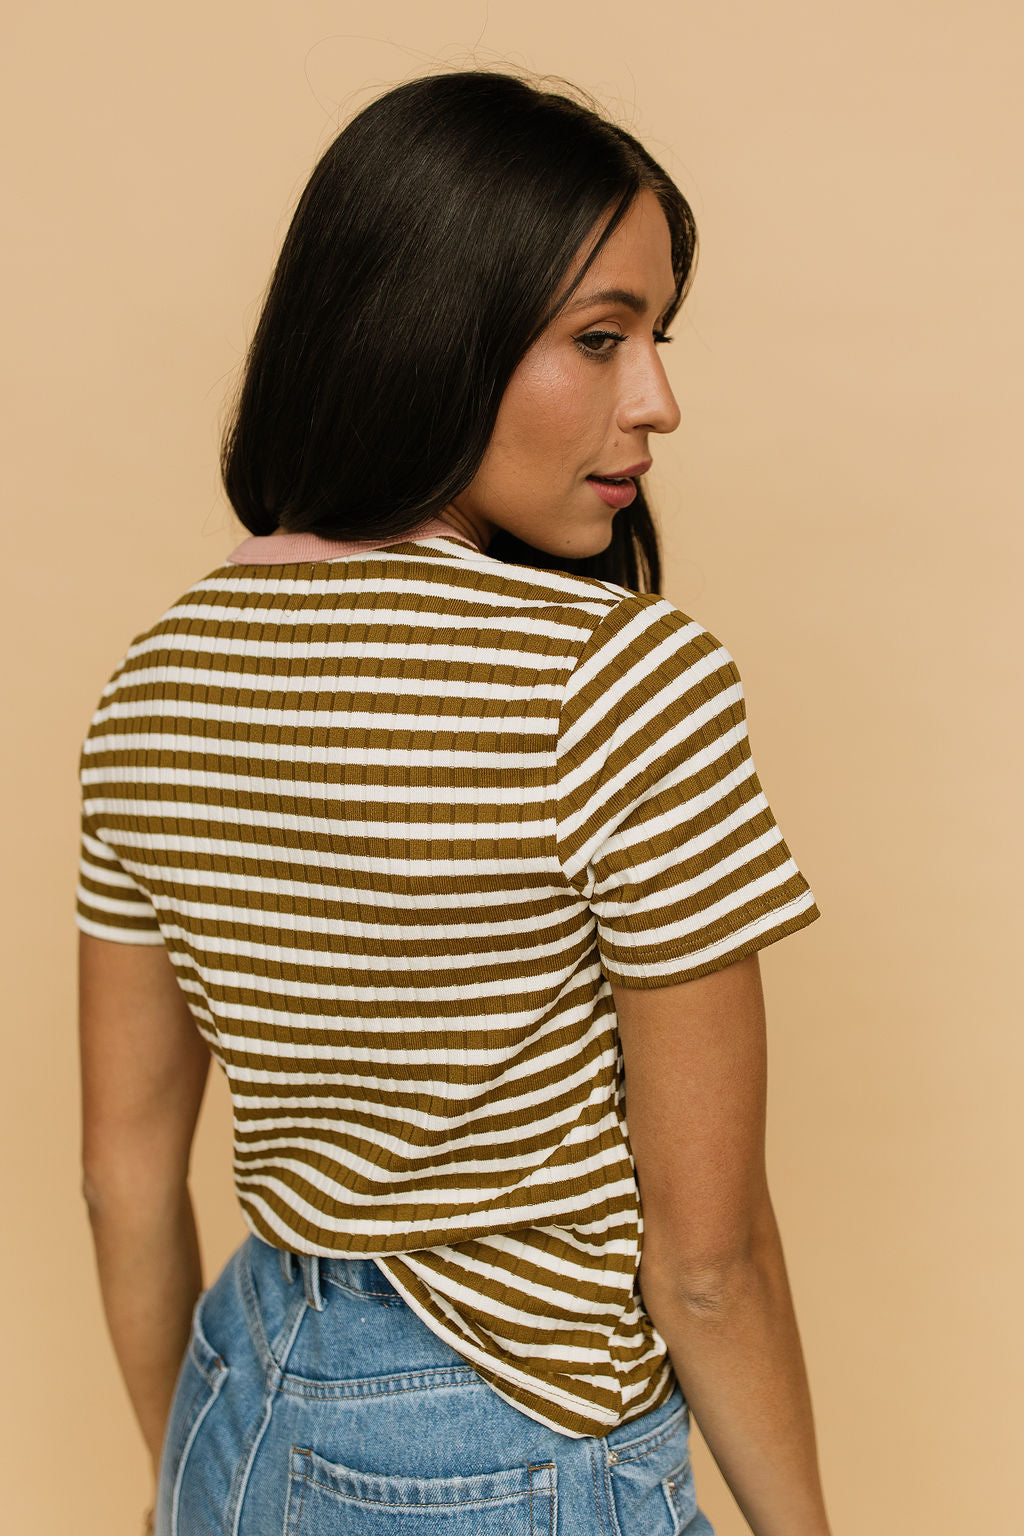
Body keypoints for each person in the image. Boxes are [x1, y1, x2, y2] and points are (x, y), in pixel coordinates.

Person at [76, 68, 833, 1536]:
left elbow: (122, 1176)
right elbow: (707, 1264)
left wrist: (206, 1474)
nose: (658, 401)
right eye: (599, 339)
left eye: (657, 340)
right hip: (507, 1441)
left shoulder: (153, 680)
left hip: (240, 1390)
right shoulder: (615, 678)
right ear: (434, 329)